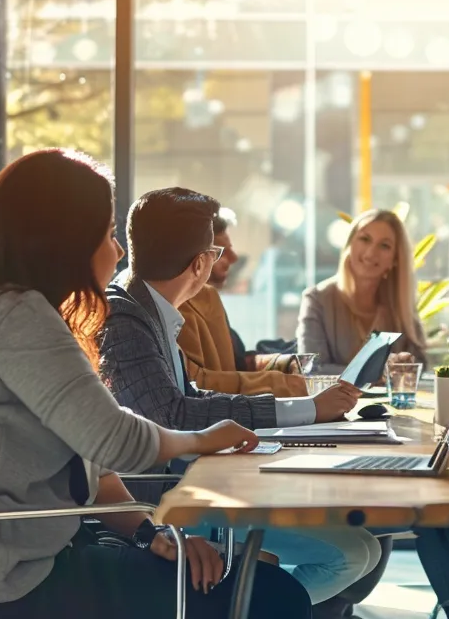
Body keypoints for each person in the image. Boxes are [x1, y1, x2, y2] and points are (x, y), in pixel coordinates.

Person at [0, 149, 306, 618]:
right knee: (274, 597)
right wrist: (204, 438)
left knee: (257, 587)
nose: (119, 251)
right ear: (65, 242)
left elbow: (92, 462)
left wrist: (151, 535)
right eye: (107, 234)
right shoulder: (14, 317)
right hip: (11, 587)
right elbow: (118, 443)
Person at [97, 187, 384, 607]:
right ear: (200, 263)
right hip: (167, 506)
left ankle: (253, 603)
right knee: (353, 553)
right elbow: (172, 414)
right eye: (216, 252)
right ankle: (248, 607)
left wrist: (302, 412)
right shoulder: (125, 317)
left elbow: (190, 397)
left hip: (197, 484)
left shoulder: (147, 309)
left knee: (364, 549)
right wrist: (307, 408)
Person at [176, 212, 307, 398]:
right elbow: (192, 383)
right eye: (220, 251)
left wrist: (283, 362)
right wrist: (278, 382)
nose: (234, 258)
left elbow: (236, 364)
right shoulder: (174, 306)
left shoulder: (209, 298)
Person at [297, 209, 428, 374]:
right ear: (349, 245)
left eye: (384, 246)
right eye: (365, 239)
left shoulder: (399, 303)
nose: (371, 253)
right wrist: (376, 372)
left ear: (395, 260)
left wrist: (406, 363)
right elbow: (311, 369)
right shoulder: (317, 300)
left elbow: (420, 363)